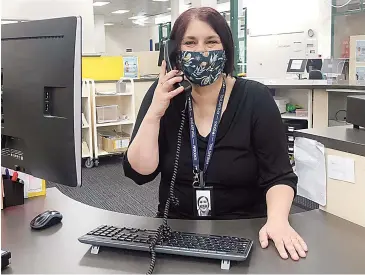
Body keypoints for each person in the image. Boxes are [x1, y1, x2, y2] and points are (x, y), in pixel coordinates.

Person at [124, 7, 308, 261]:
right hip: (177, 232)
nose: (202, 52)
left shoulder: (255, 98)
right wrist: (155, 111)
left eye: (211, 42)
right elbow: (140, 172)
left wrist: (278, 220)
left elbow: (280, 176)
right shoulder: (164, 95)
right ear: (174, 52)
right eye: (190, 42)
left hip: (245, 231)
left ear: (227, 49)